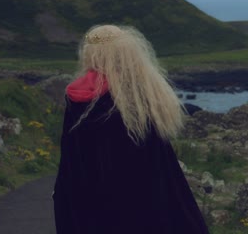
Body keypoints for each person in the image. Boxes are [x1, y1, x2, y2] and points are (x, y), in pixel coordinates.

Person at [52, 25, 209, 233]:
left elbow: (71, 155)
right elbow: (159, 164)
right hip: (142, 200)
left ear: (89, 54)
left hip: (88, 198)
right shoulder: (141, 95)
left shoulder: (77, 94)